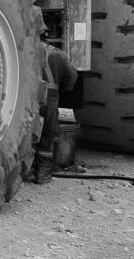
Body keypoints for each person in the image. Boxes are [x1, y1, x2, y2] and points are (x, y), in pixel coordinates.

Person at [29, 42, 78, 184]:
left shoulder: (26, 50)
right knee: (47, 137)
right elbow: (71, 78)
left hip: (29, 98)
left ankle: (24, 172)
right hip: (50, 99)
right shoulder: (60, 55)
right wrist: (61, 88)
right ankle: (42, 176)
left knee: (28, 136)